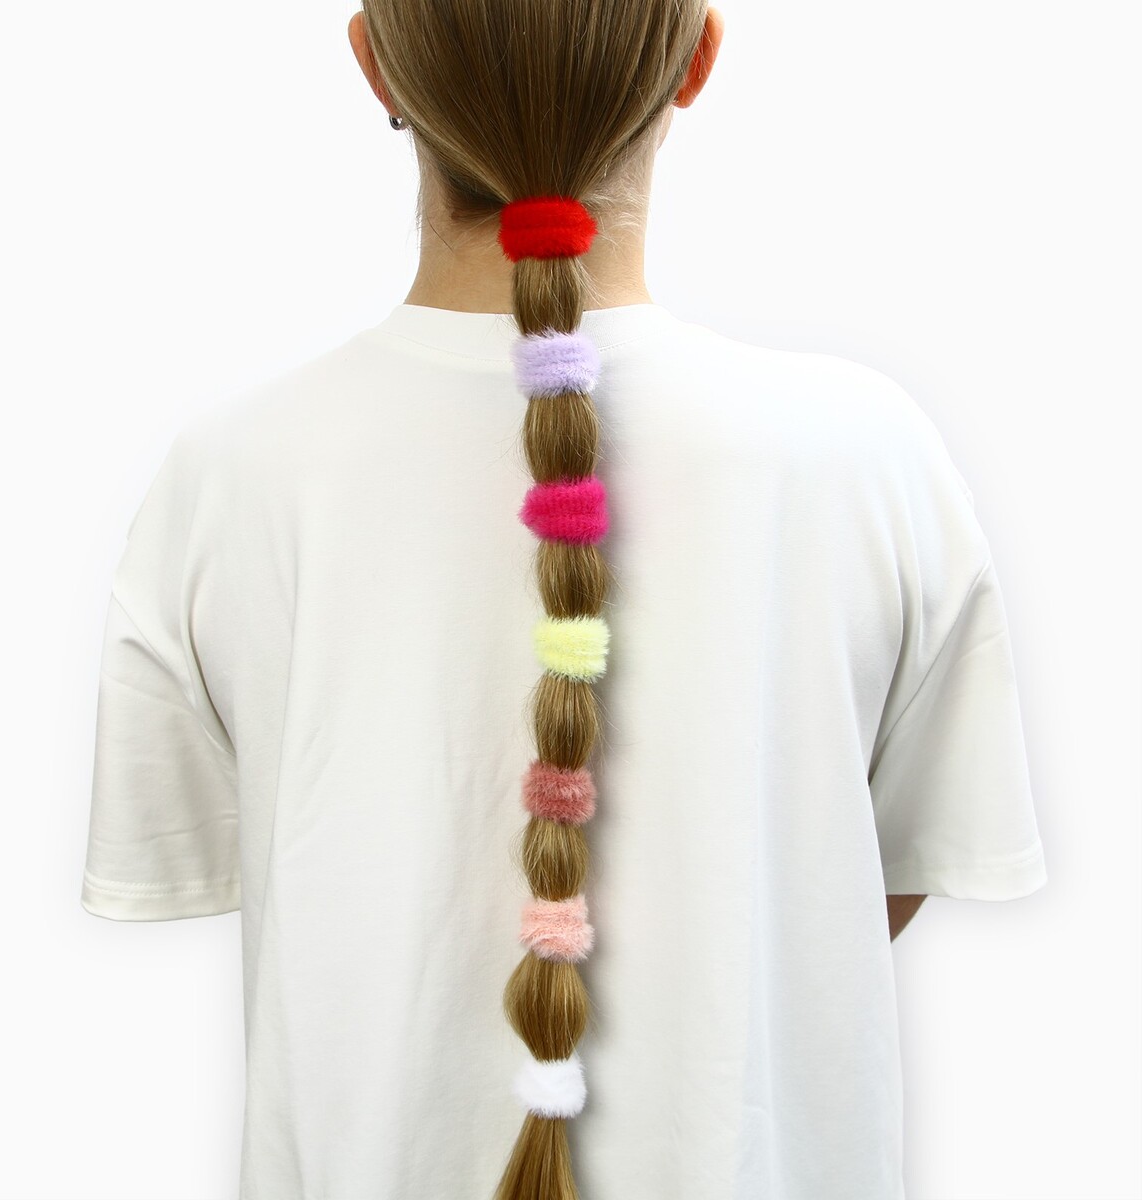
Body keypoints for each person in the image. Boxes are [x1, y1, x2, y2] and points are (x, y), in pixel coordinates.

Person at [79, 2, 1048, 1197]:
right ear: (695, 59)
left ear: (376, 66)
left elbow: (240, 871)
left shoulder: (229, 476)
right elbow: (866, 885)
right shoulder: (868, 458)